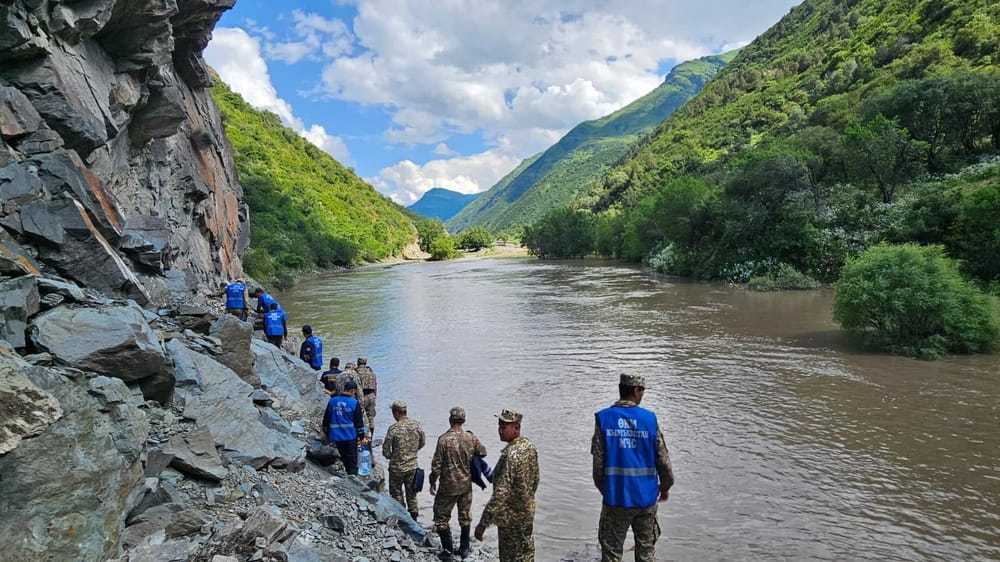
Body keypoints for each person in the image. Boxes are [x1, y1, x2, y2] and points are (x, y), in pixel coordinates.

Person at [591, 373, 674, 562]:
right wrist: (665, 487)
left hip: (616, 498)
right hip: (646, 499)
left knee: (611, 553)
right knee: (645, 553)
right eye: (642, 390)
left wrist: (607, 491)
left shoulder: (604, 418)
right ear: (636, 391)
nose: (643, 394)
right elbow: (664, 462)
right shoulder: (649, 420)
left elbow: (598, 467)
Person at [475, 409, 539, 562]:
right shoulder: (529, 446)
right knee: (526, 552)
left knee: (510, 557)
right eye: (499, 426)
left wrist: (483, 523)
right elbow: (535, 480)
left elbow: (500, 494)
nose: (500, 431)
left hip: (510, 519)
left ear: (516, 428)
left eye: (504, 427)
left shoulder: (510, 455)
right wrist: (525, 498)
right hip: (527, 512)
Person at [430, 406, 487, 560]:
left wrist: (432, 481)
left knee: (441, 517)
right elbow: (483, 452)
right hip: (466, 485)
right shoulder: (471, 438)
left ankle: (448, 551)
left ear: (450, 420)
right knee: (465, 516)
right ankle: (464, 549)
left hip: (448, 486)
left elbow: (436, 465)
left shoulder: (443, 440)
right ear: (464, 420)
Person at [382, 400, 426, 521]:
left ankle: (401, 519)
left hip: (397, 468)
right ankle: (414, 518)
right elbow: (422, 442)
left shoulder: (393, 429)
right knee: (412, 494)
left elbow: (385, 449)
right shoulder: (416, 425)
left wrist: (391, 456)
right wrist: (412, 452)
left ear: (396, 413)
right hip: (412, 466)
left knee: (396, 494)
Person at [322, 380, 368, 475]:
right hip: (349, 436)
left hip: (336, 436)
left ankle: (347, 474)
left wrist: (327, 433)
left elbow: (326, 420)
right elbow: (358, 423)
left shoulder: (332, 401)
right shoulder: (354, 403)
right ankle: (352, 479)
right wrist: (362, 437)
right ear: (352, 391)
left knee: (343, 456)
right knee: (352, 459)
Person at [356, 356, 378, 434]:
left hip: (361, 396)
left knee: (359, 417)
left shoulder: (356, 372)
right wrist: (374, 397)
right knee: (371, 417)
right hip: (371, 395)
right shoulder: (372, 373)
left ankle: (362, 436)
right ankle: (371, 436)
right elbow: (375, 387)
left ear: (358, 363)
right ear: (365, 363)